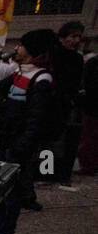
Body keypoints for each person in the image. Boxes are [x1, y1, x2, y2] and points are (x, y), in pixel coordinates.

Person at [0, 29, 63, 234]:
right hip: (8, 141)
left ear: (31, 50)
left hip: (20, 146)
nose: (17, 48)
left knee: (12, 194)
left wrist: (22, 146)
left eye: (21, 45)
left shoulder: (41, 79)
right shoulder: (19, 73)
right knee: (0, 191)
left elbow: (35, 119)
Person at [48, 21, 85, 187]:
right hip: (52, 101)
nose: (76, 40)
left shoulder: (77, 58)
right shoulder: (54, 54)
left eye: (78, 37)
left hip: (64, 103)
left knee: (58, 139)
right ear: (63, 37)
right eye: (72, 36)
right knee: (47, 140)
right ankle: (45, 171)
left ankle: (53, 172)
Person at [79, 49, 98, 176]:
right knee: (90, 138)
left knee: (90, 137)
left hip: (91, 107)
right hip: (92, 107)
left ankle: (89, 166)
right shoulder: (93, 63)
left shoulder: (92, 62)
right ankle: (89, 166)